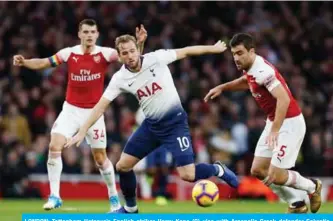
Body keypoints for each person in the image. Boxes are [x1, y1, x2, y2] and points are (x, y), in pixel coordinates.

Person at [65, 34, 239, 213]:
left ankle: (217, 169)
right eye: (125, 53)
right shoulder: (120, 78)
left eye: (132, 50)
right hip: (151, 127)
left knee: (188, 175)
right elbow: (100, 106)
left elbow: (186, 52)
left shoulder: (156, 58)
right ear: (120, 56)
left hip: (175, 124)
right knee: (123, 166)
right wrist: (82, 130)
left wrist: (213, 48)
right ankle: (131, 208)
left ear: (138, 49)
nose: (130, 55)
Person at [12, 19, 147, 212]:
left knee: (100, 159)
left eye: (93, 32)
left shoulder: (105, 53)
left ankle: (113, 198)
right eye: (86, 32)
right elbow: (44, 62)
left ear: (97, 34)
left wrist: (139, 43)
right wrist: (25, 62)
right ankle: (55, 196)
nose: (89, 35)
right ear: (80, 34)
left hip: (94, 113)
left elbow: (131, 59)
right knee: (54, 145)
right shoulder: (70, 53)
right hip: (71, 110)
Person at [204, 33, 322, 213]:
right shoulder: (250, 69)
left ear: (251, 51)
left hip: (289, 123)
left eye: (240, 53)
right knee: (258, 170)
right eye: (234, 53)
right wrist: (222, 87)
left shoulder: (263, 71)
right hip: (275, 121)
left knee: (277, 175)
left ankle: (312, 187)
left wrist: (275, 130)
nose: (236, 58)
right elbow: (248, 82)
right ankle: (296, 203)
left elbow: (284, 100)